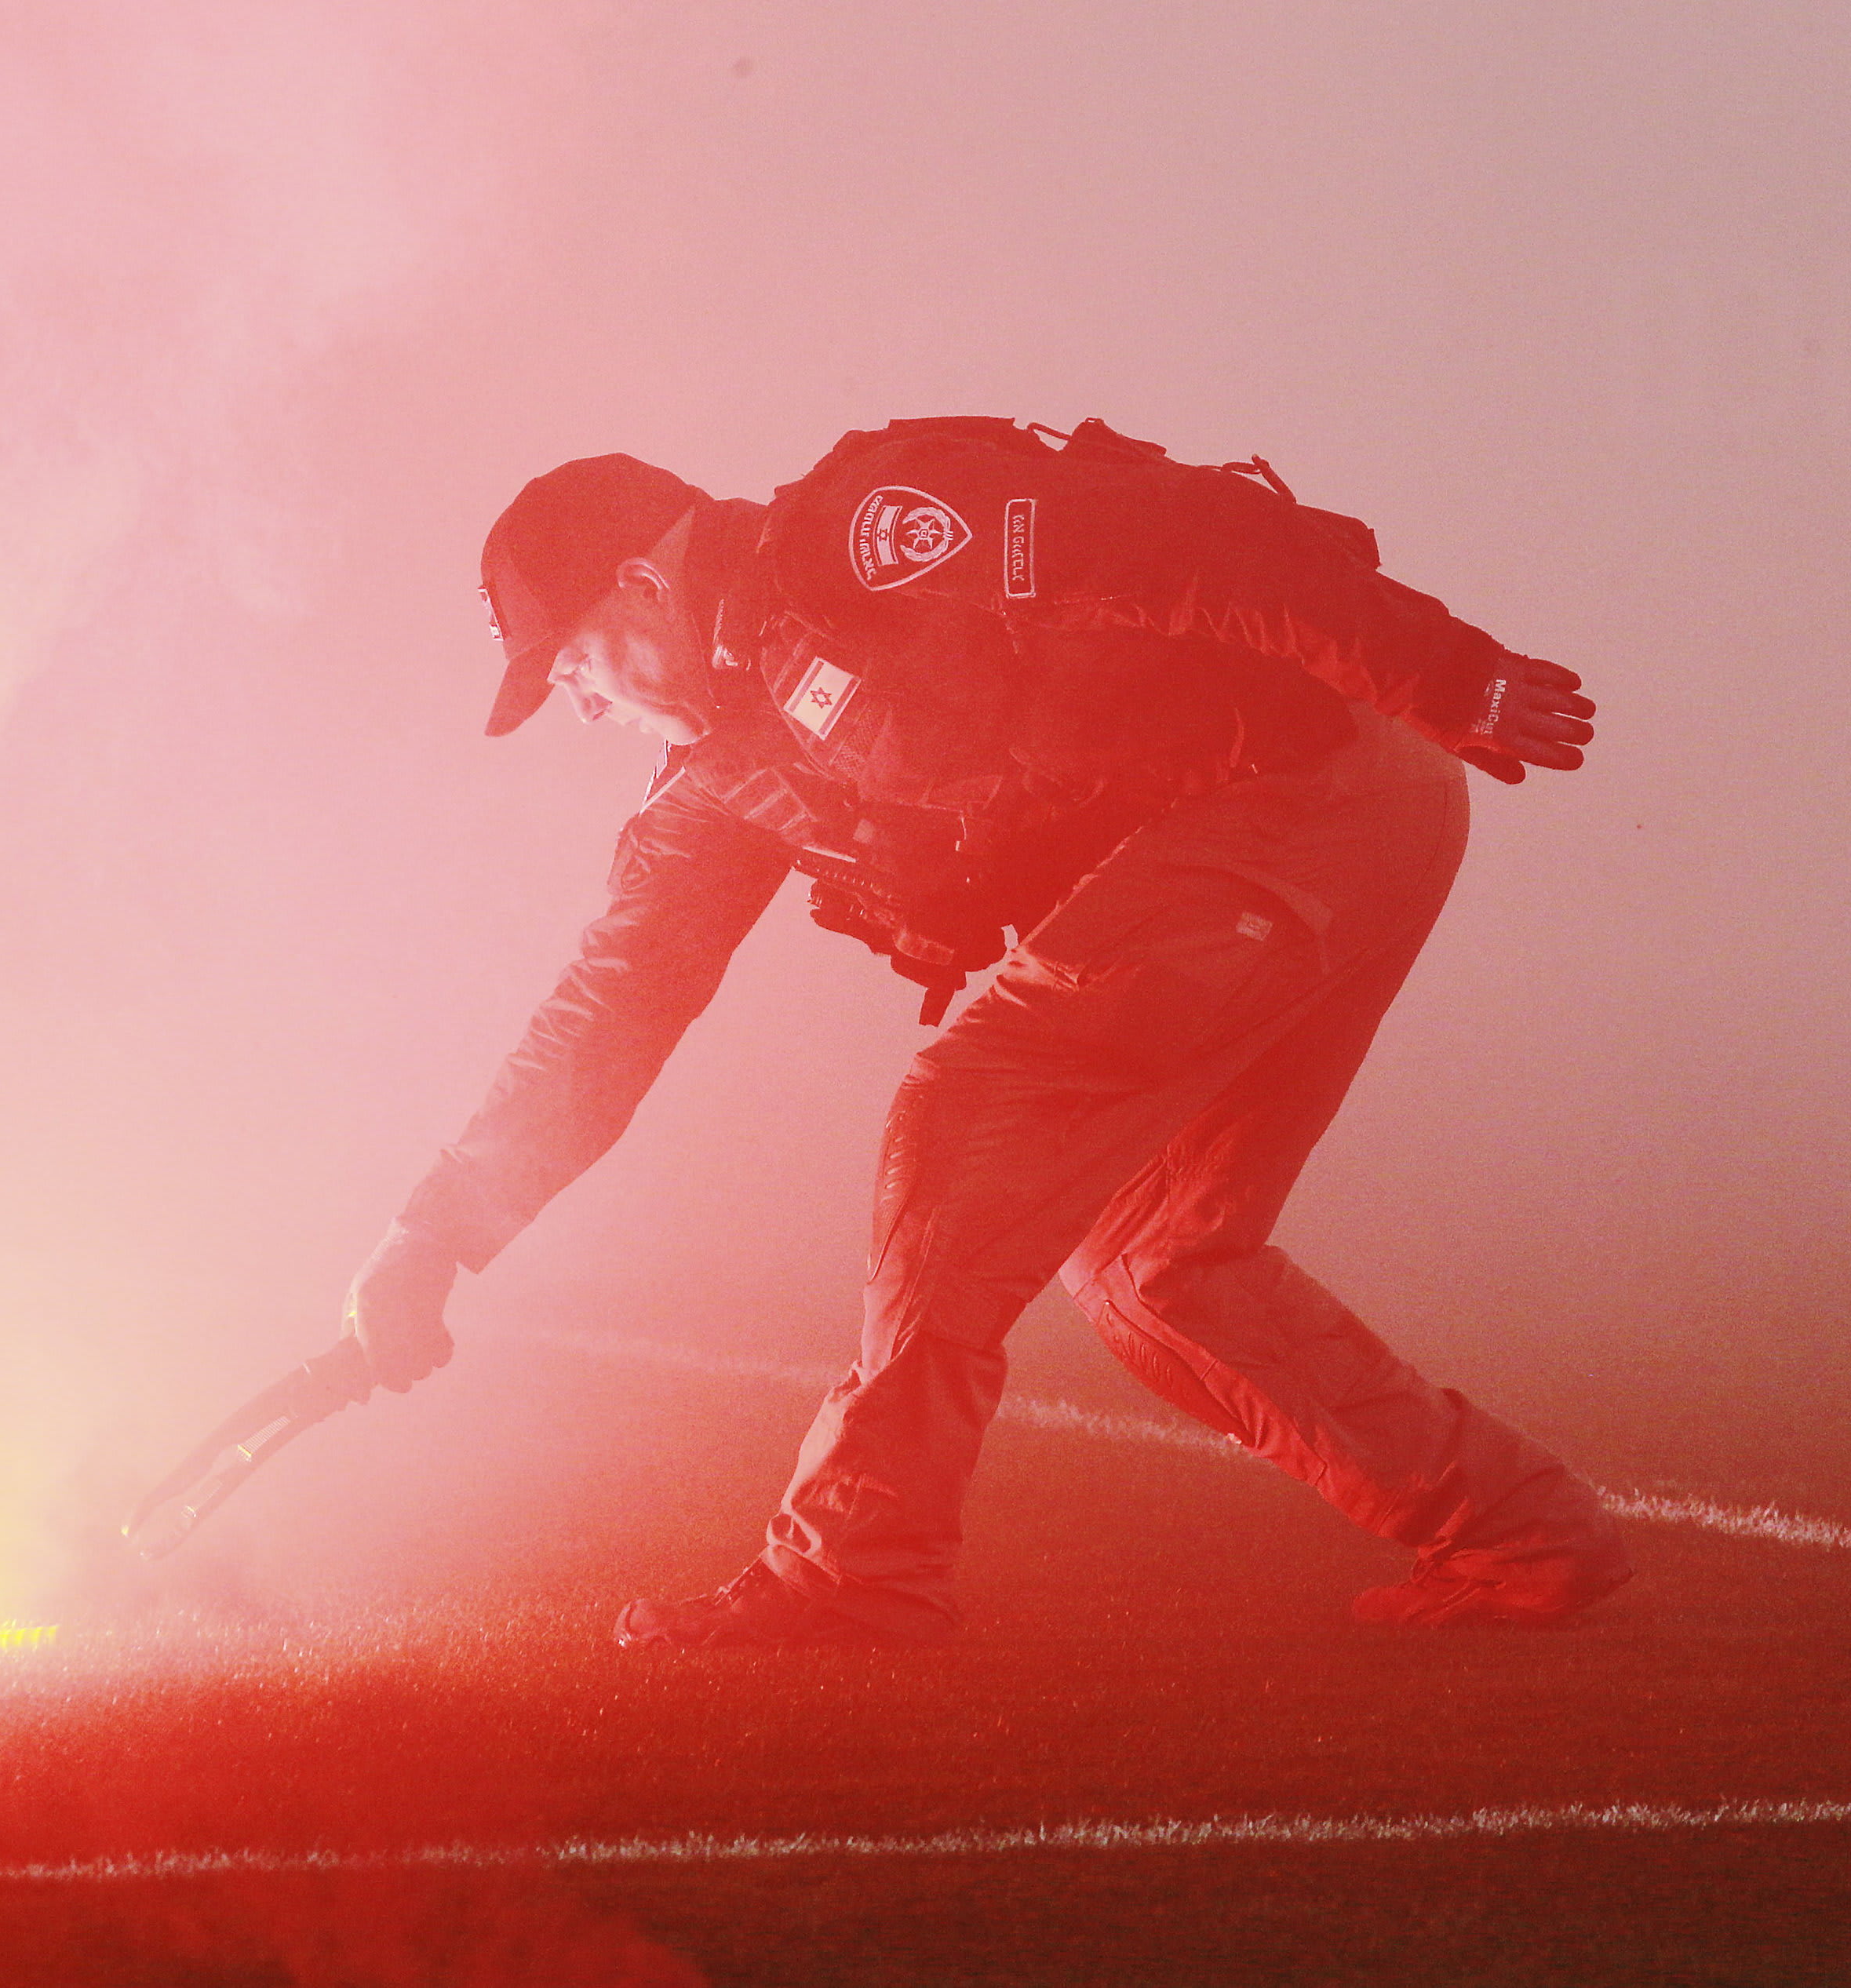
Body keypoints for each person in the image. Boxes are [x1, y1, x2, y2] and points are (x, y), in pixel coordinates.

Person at [343, 417, 1629, 1647]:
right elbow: (605, 1018)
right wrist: (432, 1237)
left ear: (638, 586)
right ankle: (1518, 1533)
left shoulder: (868, 534)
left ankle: (851, 1574)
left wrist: (1446, 672)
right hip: (1304, 831)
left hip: (1319, 778)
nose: (578, 707)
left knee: (960, 1112)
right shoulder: (717, 780)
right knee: (1150, 1263)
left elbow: (1185, 545)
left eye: (569, 665)